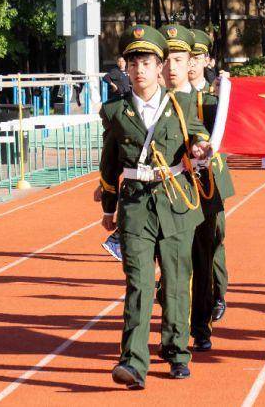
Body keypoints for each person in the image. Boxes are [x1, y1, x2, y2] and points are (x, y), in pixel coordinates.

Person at [98, 25, 213, 389]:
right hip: (135, 206)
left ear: (160, 66)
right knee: (139, 283)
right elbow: (110, 161)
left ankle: (177, 351)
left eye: (146, 62)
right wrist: (109, 208)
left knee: (177, 282)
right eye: (133, 63)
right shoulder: (115, 111)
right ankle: (132, 362)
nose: (138, 69)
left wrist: (198, 148)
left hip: (175, 200)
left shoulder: (179, 104)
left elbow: (199, 135)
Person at [187, 28, 236, 349]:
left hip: (211, 181)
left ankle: (216, 295)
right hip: (179, 184)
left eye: (196, 57)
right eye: (183, 58)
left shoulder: (216, 99)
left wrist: (228, 94)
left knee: (213, 243)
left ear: (207, 60)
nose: (190, 64)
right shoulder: (170, 96)